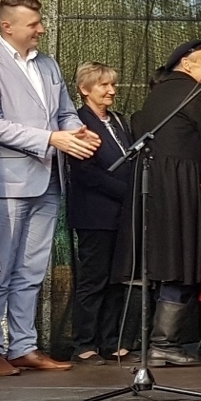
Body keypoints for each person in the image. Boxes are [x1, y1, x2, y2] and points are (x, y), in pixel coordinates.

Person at [0, 0, 97, 374]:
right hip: (7, 182)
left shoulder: (48, 63)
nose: (41, 29)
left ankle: (23, 346)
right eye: (33, 24)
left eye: (39, 22)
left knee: (31, 271)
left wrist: (76, 132)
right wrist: (50, 139)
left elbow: (65, 112)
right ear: (7, 26)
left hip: (49, 179)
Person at [123, 40, 201, 367]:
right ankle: (164, 343)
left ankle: (160, 341)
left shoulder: (159, 93)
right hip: (181, 186)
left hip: (153, 187)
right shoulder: (194, 93)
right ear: (186, 63)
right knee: (181, 262)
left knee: (166, 264)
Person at [67, 62, 138, 364]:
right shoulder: (78, 122)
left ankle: (112, 342)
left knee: (116, 280)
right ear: (85, 89)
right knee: (93, 279)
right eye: (103, 85)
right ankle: (84, 343)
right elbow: (85, 172)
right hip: (94, 214)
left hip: (122, 215)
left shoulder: (119, 120)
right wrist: (125, 192)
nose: (111, 90)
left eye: (113, 84)